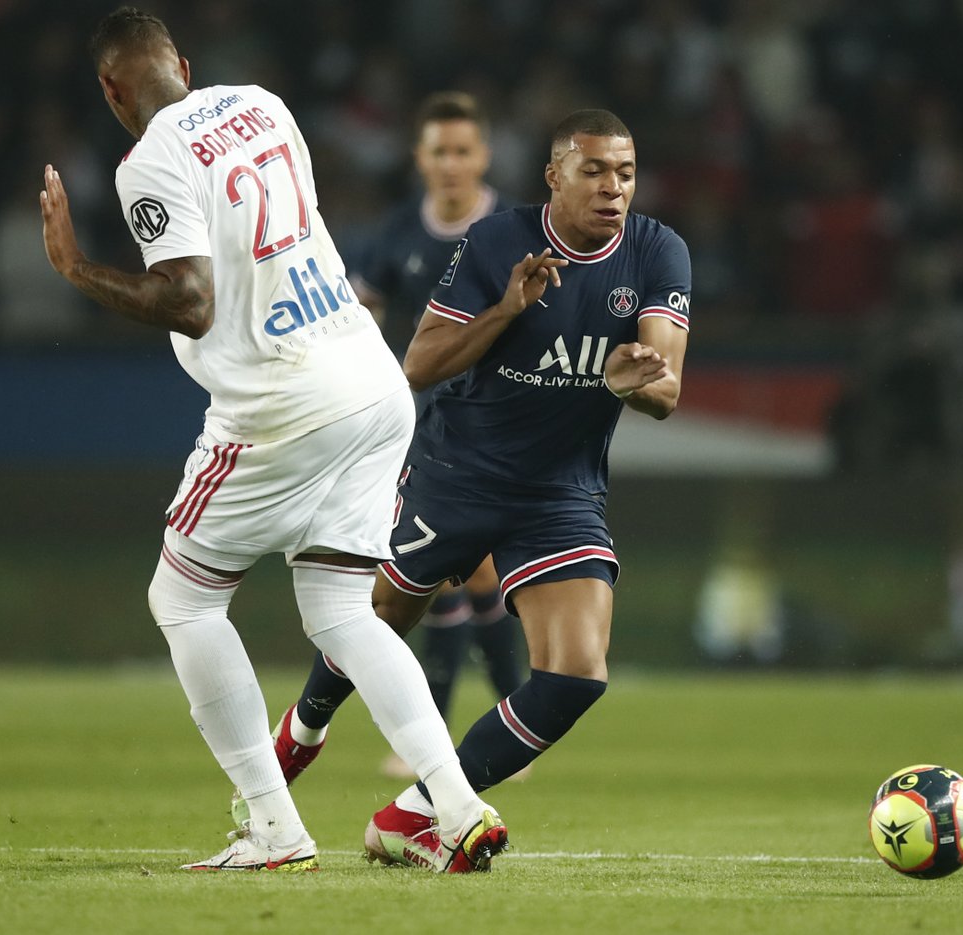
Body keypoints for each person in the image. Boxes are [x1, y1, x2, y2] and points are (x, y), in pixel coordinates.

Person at [39, 6, 506, 873]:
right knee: (341, 613)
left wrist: (75, 271)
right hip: (371, 381)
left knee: (181, 600)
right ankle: (457, 801)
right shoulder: (264, 103)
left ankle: (275, 826)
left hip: (281, 404)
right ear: (183, 60)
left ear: (110, 89)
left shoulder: (148, 163)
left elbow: (189, 300)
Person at [262, 107, 691, 868]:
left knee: (577, 674)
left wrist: (633, 383)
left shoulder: (659, 251)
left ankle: (419, 810)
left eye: (624, 172)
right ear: (554, 174)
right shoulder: (498, 243)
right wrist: (506, 311)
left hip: (561, 491)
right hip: (458, 471)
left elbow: (665, 385)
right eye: (593, 170)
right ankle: (302, 728)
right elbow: (420, 363)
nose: (613, 188)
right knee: (380, 620)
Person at [340, 90, 524, 779]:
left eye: (463, 151)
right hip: (414, 422)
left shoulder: (510, 230)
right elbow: (360, 313)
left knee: (463, 569)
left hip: (491, 420)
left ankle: (493, 726)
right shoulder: (397, 234)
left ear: (484, 156)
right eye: (438, 151)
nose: (451, 163)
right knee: (441, 575)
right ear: (419, 158)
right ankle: (489, 729)